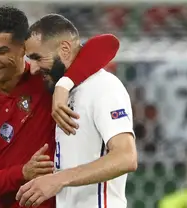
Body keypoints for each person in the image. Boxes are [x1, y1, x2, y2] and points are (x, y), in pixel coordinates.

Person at [0, 6, 119, 208]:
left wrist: (63, 85)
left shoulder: (44, 79)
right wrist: (23, 173)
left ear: (24, 49)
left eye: (0, 51)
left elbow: (107, 44)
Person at [15, 14, 137, 208]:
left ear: (64, 49)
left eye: (37, 58)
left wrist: (58, 179)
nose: (34, 69)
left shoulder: (103, 87)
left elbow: (126, 157)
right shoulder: (61, 89)